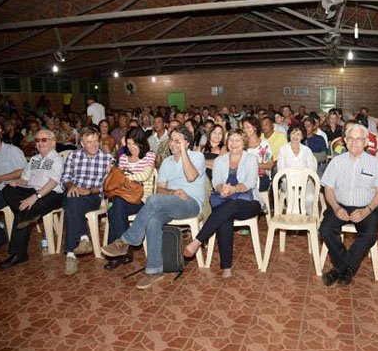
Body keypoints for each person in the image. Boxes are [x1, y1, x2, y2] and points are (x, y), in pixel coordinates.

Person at [100, 125, 205, 289]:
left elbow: (191, 177)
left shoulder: (197, 156)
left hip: (191, 204)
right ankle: (154, 270)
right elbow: (160, 189)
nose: (173, 143)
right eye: (171, 140)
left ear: (187, 143)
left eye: (178, 141)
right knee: (153, 221)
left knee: (154, 200)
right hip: (170, 202)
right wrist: (172, 192)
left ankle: (127, 241)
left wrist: (183, 151)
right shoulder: (166, 163)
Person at [181, 130, 263, 278]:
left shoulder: (251, 158)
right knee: (225, 217)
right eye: (231, 140)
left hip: (248, 201)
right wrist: (221, 188)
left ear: (243, 142)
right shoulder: (220, 160)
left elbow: (250, 182)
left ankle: (198, 241)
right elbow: (216, 181)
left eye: (237, 140)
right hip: (224, 199)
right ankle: (226, 267)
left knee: (230, 207)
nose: (233, 143)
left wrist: (234, 189)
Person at [319, 124, 378, 287]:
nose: (354, 142)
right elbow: (328, 188)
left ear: (365, 142)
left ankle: (339, 269)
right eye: (350, 139)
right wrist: (336, 207)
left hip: (366, 207)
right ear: (345, 141)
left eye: (359, 139)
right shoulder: (336, 161)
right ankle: (347, 268)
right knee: (325, 230)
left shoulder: (374, 163)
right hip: (340, 205)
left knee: (370, 233)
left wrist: (367, 210)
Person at [0, 130, 65, 270]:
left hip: (52, 193)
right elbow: (25, 180)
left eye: (44, 140)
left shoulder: (57, 159)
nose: (40, 143)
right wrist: (17, 182)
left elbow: (53, 183)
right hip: (31, 190)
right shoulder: (34, 160)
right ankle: (27, 214)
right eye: (37, 140)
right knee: (7, 190)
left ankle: (18, 254)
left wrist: (34, 197)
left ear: (53, 142)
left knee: (29, 207)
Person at [60, 129, 114, 276]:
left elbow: (109, 185)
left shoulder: (107, 158)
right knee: (72, 198)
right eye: (89, 142)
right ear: (82, 143)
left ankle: (72, 251)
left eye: (96, 141)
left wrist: (89, 190)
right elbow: (64, 178)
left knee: (71, 201)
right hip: (74, 192)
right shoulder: (73, 156)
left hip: (93, 196)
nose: (94, 144)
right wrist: (72, 186)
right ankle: (80, 242)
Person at [103, 128, 156, 270]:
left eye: (134, 144)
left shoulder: (149, 156)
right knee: (115, 207)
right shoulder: (123, 158)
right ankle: (123, 249)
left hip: (142, 199)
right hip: (124, 197)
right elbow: (116, 179)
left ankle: (119, 252)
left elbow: (144, 175)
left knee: (116, 208)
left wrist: (124, 178)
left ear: (141, 143)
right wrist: (118, 177)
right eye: (128, 144)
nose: (131, 147)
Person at [277, 124, 318, 212]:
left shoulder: (307, 150)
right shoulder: (283, 149)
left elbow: (311, 170)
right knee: (292, 198)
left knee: (309, 198)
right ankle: (293, 221)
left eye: (298, 134)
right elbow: (281, 170)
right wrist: (290, 183)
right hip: (288, 182)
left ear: (302, 136)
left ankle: (309, 220)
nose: (295, 136)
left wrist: (304, 181)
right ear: (289, 135)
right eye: (293, 133)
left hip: (306, 182)